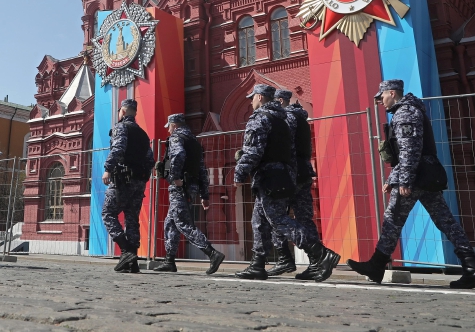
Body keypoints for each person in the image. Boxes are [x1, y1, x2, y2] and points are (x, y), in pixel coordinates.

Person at [347, 80, 475, 289]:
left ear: (392, 93)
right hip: (424, 175)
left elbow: (410, 150)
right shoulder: (410, 110)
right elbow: (407, 151)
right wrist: (392, 179)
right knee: (446, 222)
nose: (380, 101)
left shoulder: (405, 113)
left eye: (382, 96)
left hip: (415, 178)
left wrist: (404, 180)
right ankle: (473, 270)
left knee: (392, 220)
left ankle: (376, 266)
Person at [234, 84, 339, 282]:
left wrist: (239, 173)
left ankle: (321, 253)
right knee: (258, 221)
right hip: (281, 175)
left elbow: (253, 151)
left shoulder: (261, 118)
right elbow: (291, 153)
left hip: (269, 177)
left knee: (278, 220)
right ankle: (257, 264)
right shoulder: (282, 119)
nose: (251, 102)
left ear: (259, 97)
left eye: (252, 98)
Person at [154, 113, 225, 275]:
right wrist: (204, 195)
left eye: (170, 127)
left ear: (175, 125)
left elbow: (178, 155)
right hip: (191, 186)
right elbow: (202, 169)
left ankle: (211, 253)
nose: (169, 131)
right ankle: (169, 261)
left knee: (182, 222)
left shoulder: (177, 138)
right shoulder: (194, 141)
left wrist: (174, 176)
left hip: (180, 186)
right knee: (171, 223)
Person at [267, 89, 321, 280]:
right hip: (303, 172)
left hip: (291, 174)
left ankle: (285, 259)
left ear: (281, 101)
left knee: (276, 215)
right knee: (305, 218)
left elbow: (285, 146)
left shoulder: (288, 118)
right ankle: (317, 264)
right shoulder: (300, 118)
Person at [102, 99, 155, 274]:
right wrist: (142, 177)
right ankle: (132, 263)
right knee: (132, 219)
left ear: (123, 111)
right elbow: (150, 160)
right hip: (139, 182)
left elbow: (118, 148)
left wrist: (108, 169)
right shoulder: (143, 134)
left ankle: (125, 251)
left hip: (121, 180)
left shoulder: (121, 127)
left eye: (119, 111)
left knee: (108, 213)